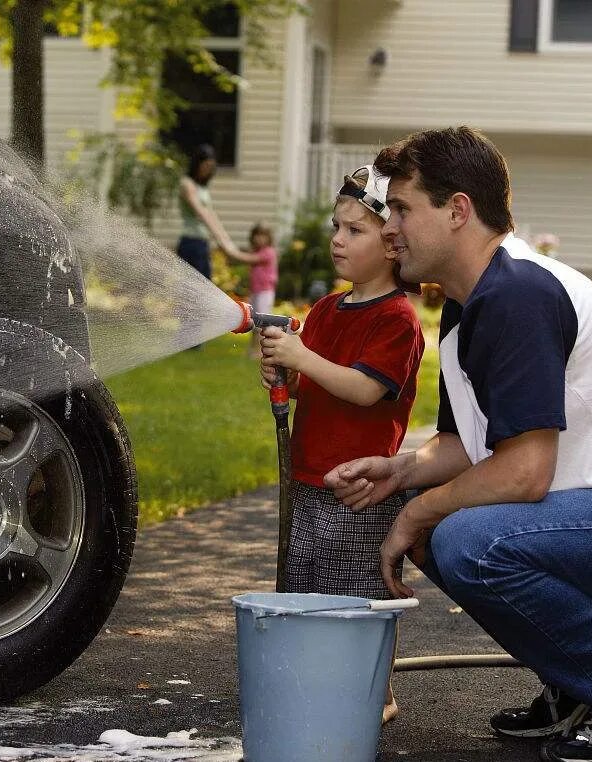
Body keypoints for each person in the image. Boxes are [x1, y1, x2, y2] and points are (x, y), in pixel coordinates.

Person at [323, 127, 592, 762]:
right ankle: (579, 683)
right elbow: (469, 448)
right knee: (432, 521)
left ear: (459, 210)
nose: (390, 228)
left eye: (405, 209)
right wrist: (400, 472)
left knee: (467, 538)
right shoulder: (470, 309)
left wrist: (421, 507)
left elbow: (523, 473)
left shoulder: (519, 293)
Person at [259, 165, 424, 725]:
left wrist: (303, 358)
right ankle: (320, 685)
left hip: (361, 489)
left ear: (392, 242)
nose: (337, 239)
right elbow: (316, 380)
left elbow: (366, 389)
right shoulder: (329, 310)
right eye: (336, 226)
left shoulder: (397, 319)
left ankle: (376, 696)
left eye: (355, 230)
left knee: (359, 595)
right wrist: (286, 373)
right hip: (308, 482)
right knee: (307, 585)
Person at [177, 144, 252, 278]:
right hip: (191, 244)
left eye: (210, 167)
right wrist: (222, 243)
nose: (207, 170)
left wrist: (227, 241)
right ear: (197, 164)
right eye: (205, 166)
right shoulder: (187, 184)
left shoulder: (202, 187)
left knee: (205, 286)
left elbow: (211, 215)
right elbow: (202, 213)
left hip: (202, 243)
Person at [245, 221, 279, 357]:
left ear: (269, 238)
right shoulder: (257, 251)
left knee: (262, 323)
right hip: (256, 291)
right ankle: (253, 349)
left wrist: (230, 251)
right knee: (253, 321)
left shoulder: (268, 252)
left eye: (263, 236)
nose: (259, 239)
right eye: (257, 235)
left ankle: (260, 351)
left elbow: (247, 258)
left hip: (265, 292)